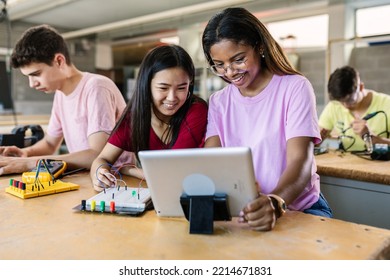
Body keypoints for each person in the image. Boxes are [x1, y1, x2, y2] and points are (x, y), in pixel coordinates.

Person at [201, 7, 332, 231]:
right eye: (220, 65)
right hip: (246, 211)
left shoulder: (294, 87)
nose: (230, 72)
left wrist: (275, 201)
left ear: (259, 46)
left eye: (239, 59)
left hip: (299, 210)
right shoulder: (218, 102)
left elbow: (300, 161)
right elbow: (213, 160)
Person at [0, 24, 129, 176]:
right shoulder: (60, 95)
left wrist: (28, 163)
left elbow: (97, 155)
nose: (32, 83)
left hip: (118, 180)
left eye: (36, 74)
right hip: (86, 178)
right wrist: (25, 153)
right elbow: (50, 144)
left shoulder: (96, 87)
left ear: (59, 61)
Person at [90, 44, 208, 191]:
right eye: (163, 88)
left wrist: (129, 170)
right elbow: (102, 159)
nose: (172, 98)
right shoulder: (135, 116)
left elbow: (172, 173)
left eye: (181, 88)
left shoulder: (196, 110)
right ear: (147, 85)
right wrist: (99, 174)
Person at [319, 66, 390, 152]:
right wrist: (318, 140)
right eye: (340, 102)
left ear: (361, 87)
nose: (345, 105)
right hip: (345, 163)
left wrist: (371, 137)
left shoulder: (386, 104)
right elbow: (319, 140)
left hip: (380, 164)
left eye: (349, 100)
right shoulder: (334, 106)